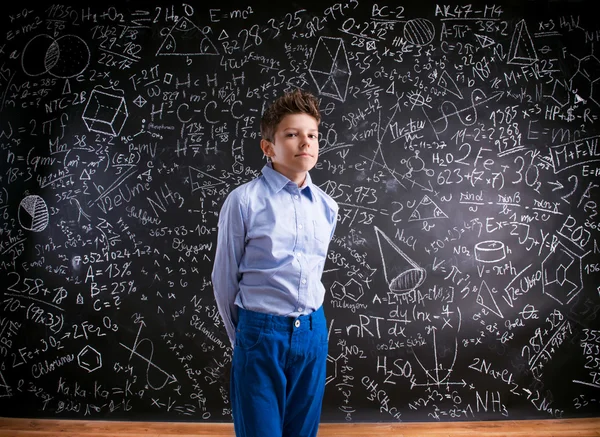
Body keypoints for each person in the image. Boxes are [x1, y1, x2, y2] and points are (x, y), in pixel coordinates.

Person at [212, 89, 338, 437]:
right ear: (268, 147)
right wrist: (244, 338)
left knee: (302, 432)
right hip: (259, 334)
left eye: (311, 135)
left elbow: (314, 269)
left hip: (312, 334)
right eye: (292, 134)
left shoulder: (327, 207)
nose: (305, 142)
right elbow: (224, 278)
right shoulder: (244, 202)